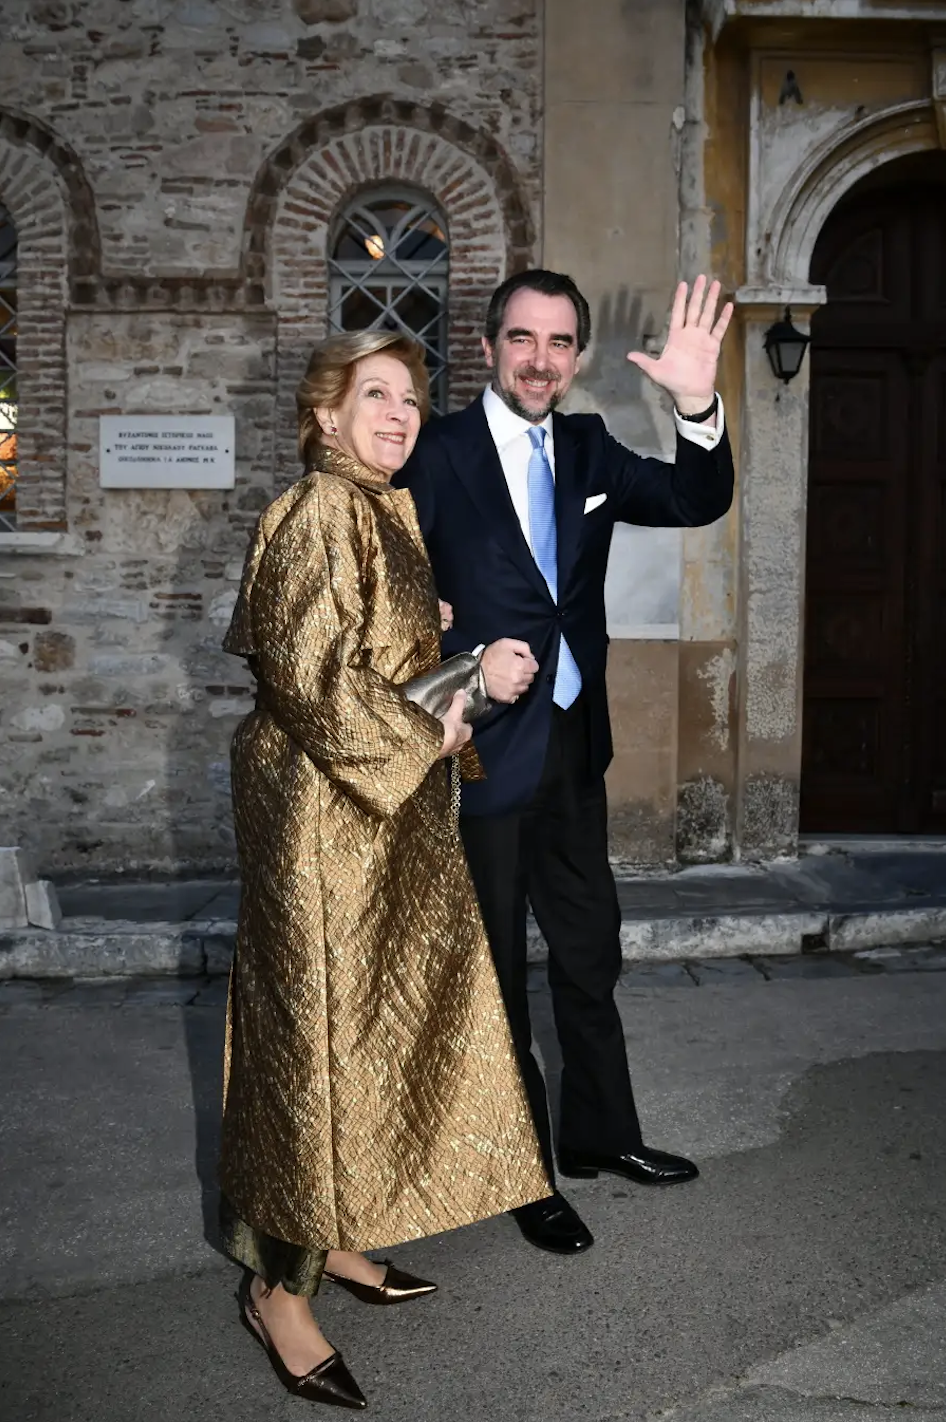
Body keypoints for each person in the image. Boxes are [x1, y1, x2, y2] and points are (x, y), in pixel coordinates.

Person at [219, 330, 549, 1409]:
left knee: (362, 1034)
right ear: (325, 413)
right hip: (324, 824)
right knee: (311, 1049)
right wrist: (442, 727)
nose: (401, 412)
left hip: (372, 812)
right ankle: (278, 1290)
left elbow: (363, 658)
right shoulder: (322, 507)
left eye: (411, 396)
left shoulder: (373, 508)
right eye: (376, 394)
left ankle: (337, 1234)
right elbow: (312, 683)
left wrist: (448, 661)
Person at [396, 270, 734, 1256]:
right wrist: (461, 662)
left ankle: (599, 1135)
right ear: (487, 347)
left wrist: (697, 403)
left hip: (575, 746)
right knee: (498, 971)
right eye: (521, 339)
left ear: (577, 356)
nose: (539, 360)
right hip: (479, 754)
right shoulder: (437, 452)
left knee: (590, 954)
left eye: (557, 343)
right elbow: (383, 600)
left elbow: (693, 497)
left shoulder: (588, 446)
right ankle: (523, 1172)